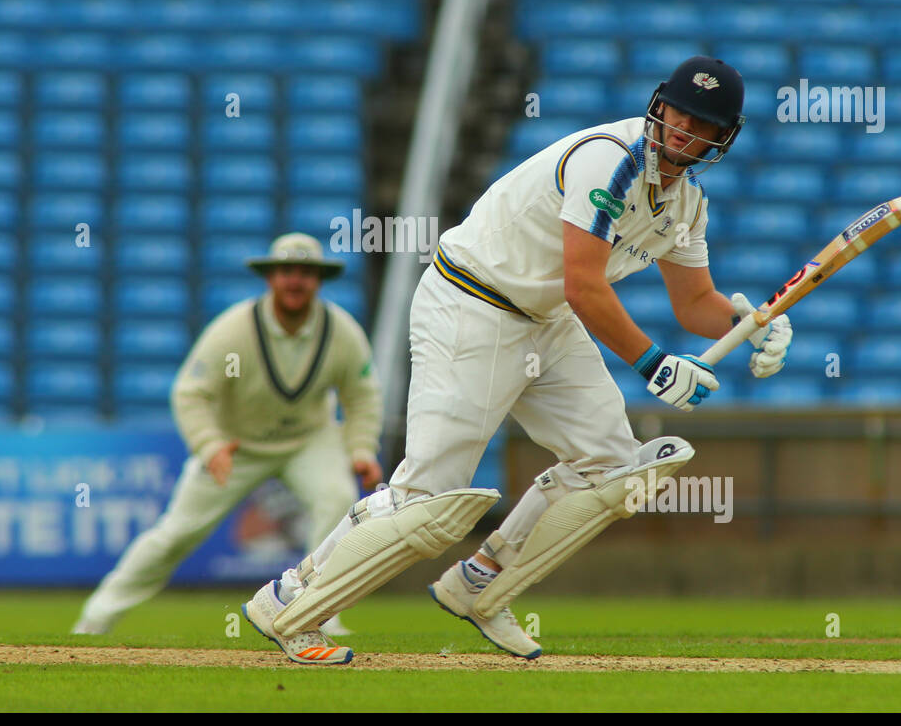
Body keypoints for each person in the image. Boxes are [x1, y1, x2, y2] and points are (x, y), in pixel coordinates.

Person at [243, 56, 792, 664]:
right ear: (659, 106)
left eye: (703, 124)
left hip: (546, 320)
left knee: (613, 469)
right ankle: (289, 601)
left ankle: (480, 582)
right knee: (428, 500)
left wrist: (749, 324)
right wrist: (655, 365)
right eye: (679, 114)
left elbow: (695, 303)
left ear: (723, 137)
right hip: (472, 302)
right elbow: (586, 286)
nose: (684, 130)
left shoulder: (687, 204)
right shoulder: (608, 160)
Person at [73, 233, 383, 638]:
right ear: (271, 277)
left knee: (336, 500)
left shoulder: (342, 332)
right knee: (176, 534)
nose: (296, 281)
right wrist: (210, 444)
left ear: (319, 280)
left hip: (309, 439)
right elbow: (191, 392)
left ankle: (322, 615)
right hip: (236, 446)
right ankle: (94, 620)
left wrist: (361, 449)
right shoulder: (234, 330)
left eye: (306, 273)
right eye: (287, 271)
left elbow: (362, 395)